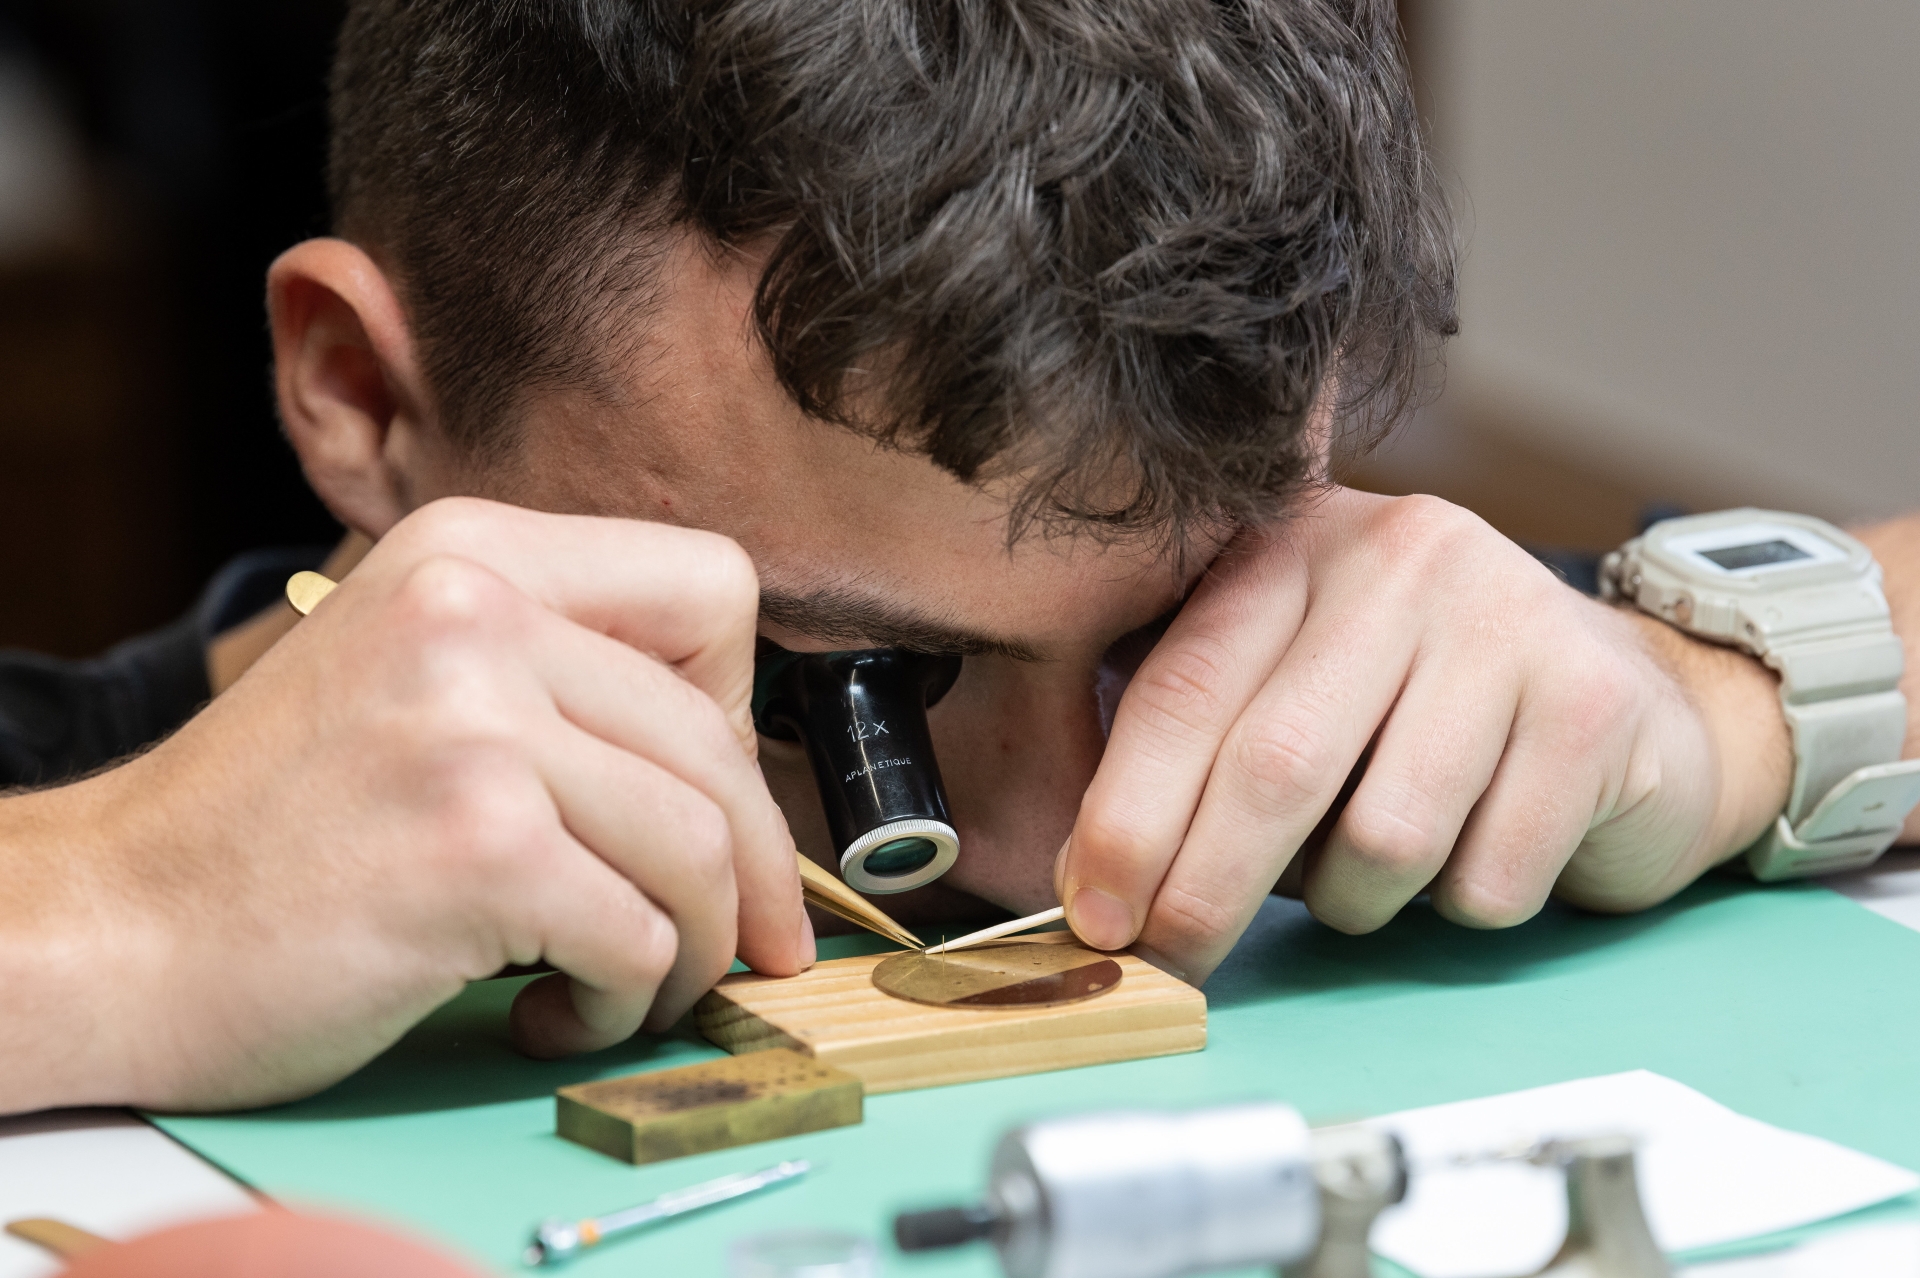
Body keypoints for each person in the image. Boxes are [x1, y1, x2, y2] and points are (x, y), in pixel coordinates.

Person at [2, 0, 1914, 1118]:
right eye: (853, 687)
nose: (1053, 869)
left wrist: (1729, 697)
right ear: (357, 393)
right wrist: (104, 909)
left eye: (1161, 639)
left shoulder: (1343, 680)